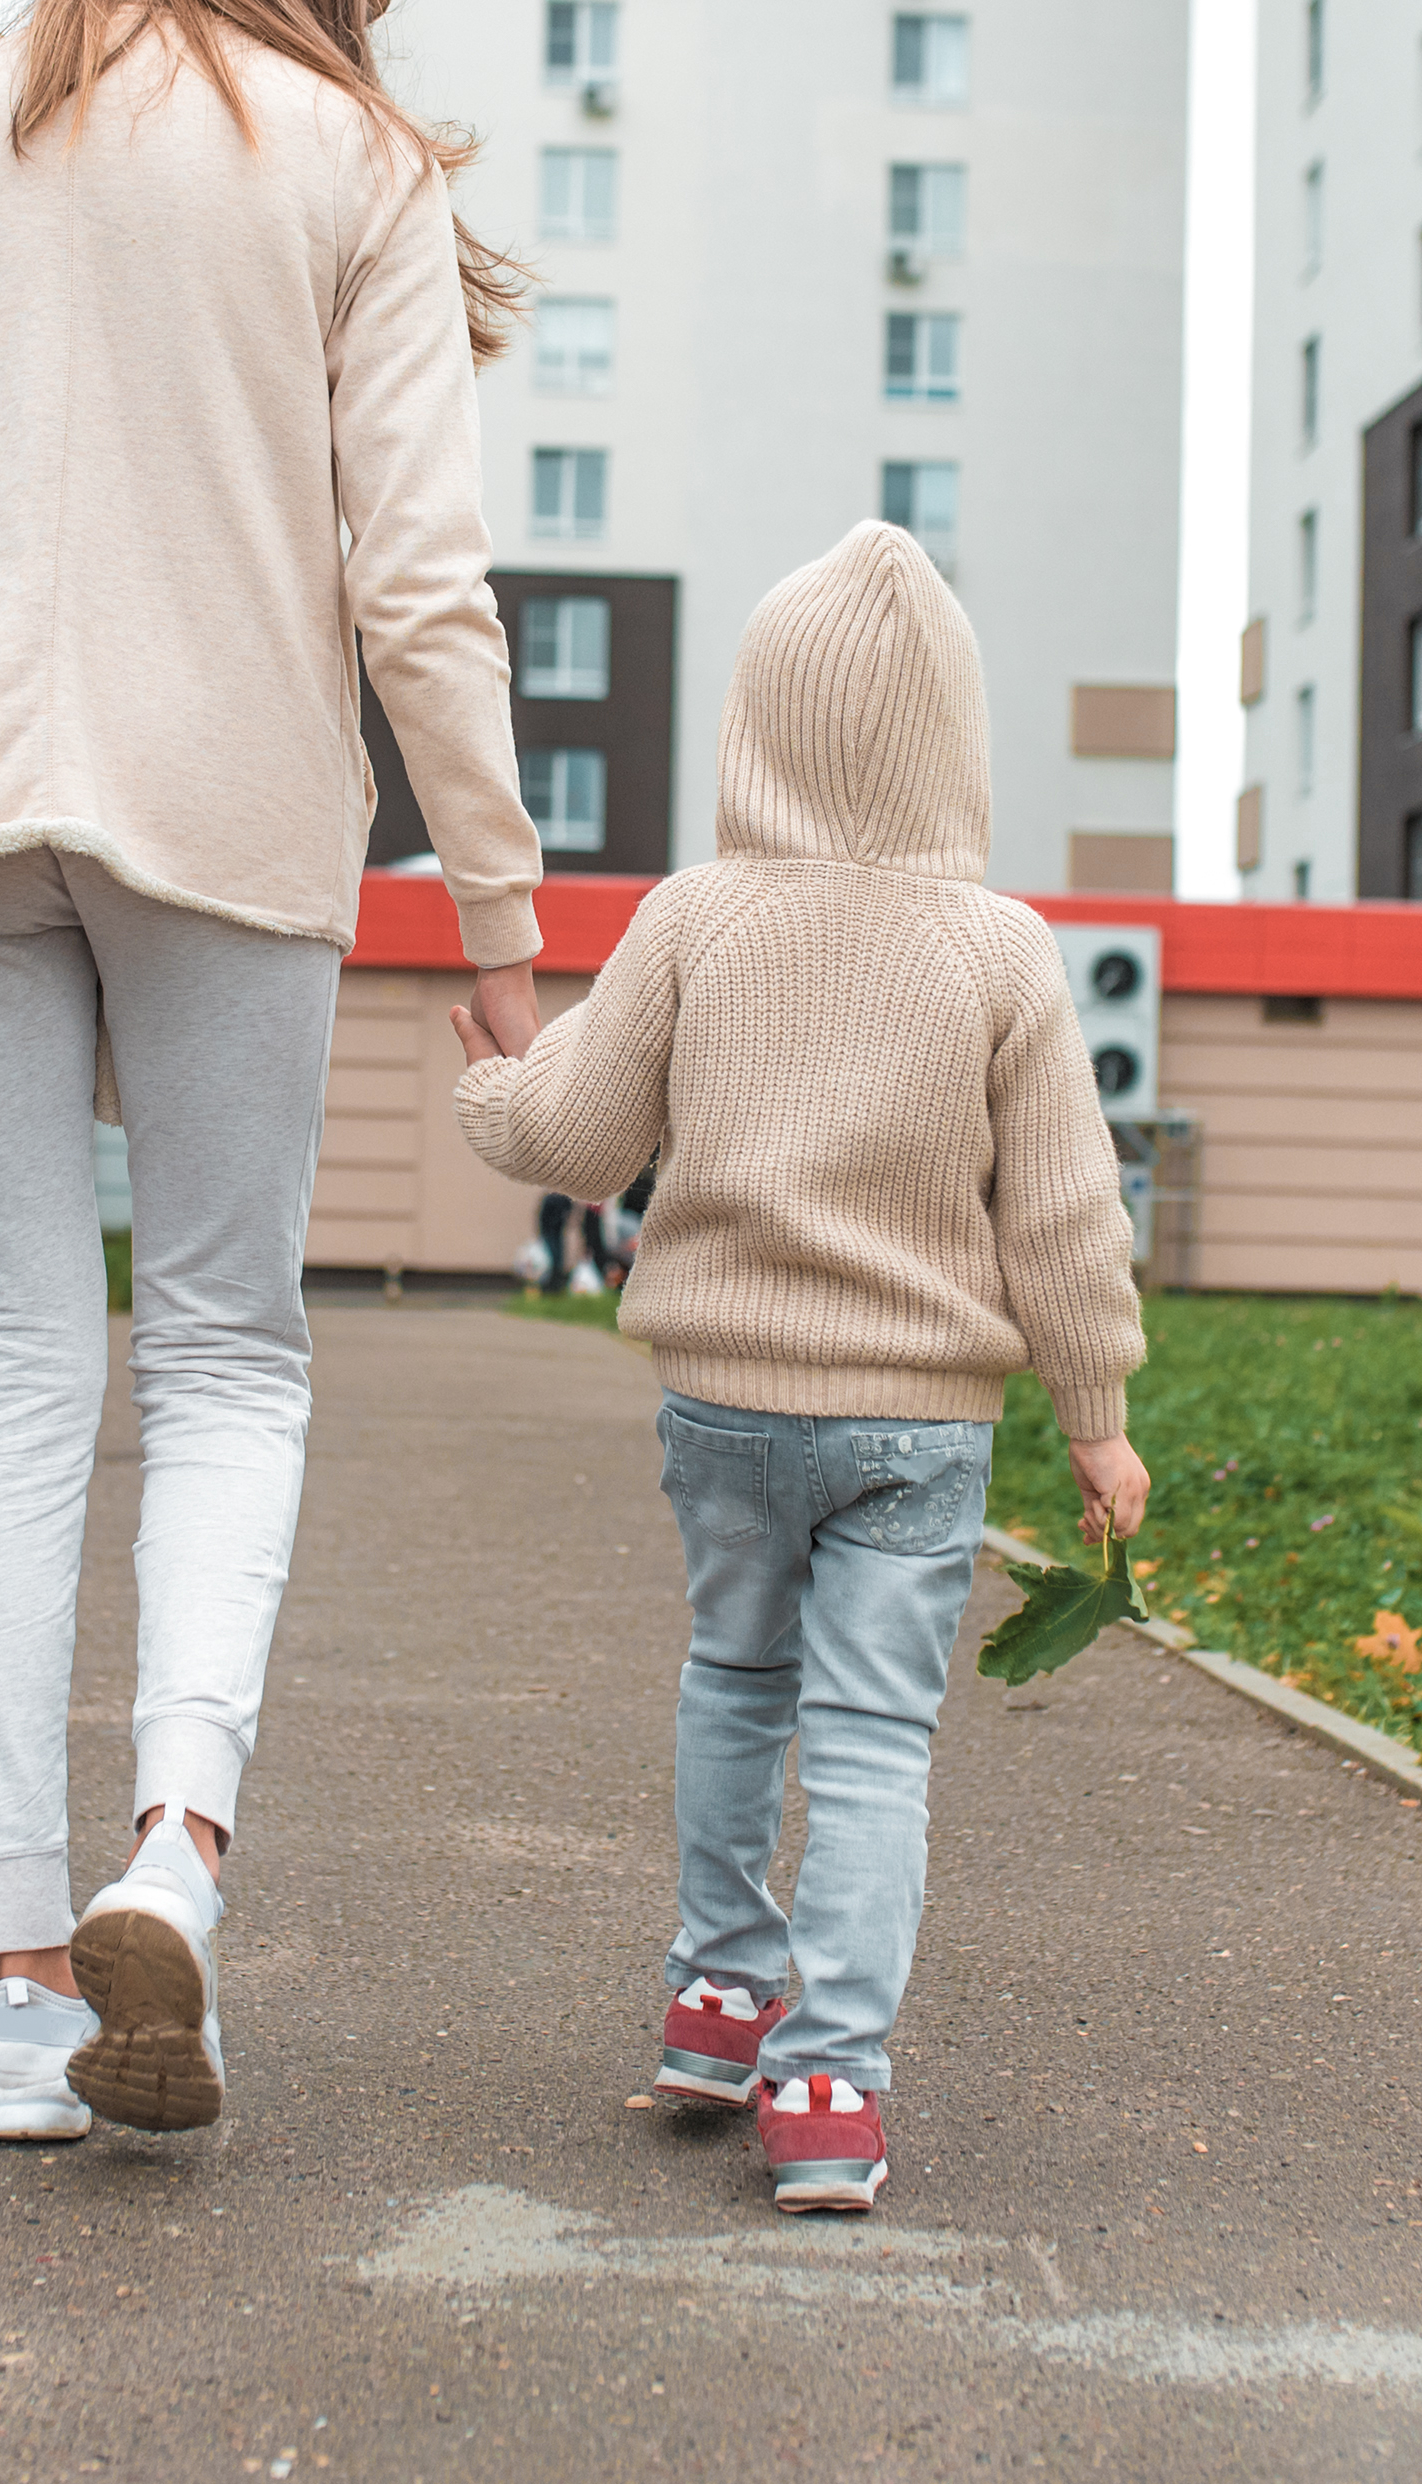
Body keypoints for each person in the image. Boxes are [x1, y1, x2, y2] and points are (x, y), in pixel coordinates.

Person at [0, 0, 545, 2145]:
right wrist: (500, 919)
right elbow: (419, 583)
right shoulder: (353, 162)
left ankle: (14, 1993)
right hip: (223, 802)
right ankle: (173, 1847)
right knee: (225, 1351)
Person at [447, 522, 1149, 2214]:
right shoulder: (1001, 953)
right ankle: (830, 2080)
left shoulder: (698, 918)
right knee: (874, 1743)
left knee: (733, 1686)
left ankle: (714, 1996)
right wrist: (1099, 1422)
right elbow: (1062, 1216)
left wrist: (495, 1081)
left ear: (759, 727)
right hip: (919, 1430)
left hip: (728, 1406)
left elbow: (582, 1134)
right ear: (956, 743)